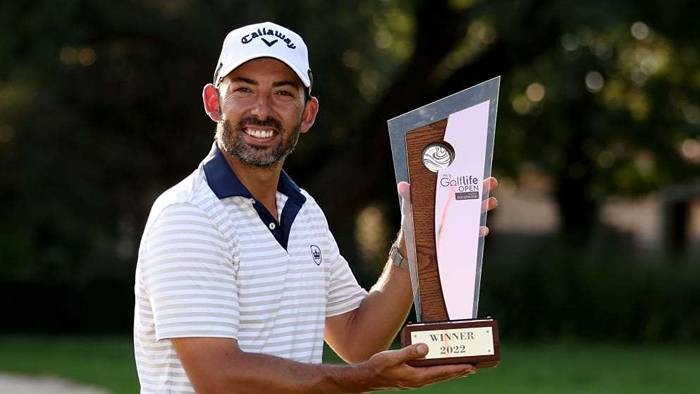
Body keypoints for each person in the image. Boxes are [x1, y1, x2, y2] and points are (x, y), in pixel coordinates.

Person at [133, 21, 498, 393]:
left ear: (307, 114)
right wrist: (367, 378)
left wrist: (416, 236)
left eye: (283, 93)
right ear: (214, 102)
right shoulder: (188, 216)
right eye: (243, 89)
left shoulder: (304, 211)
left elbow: (358, 340)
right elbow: (219, 377)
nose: (262, 110)